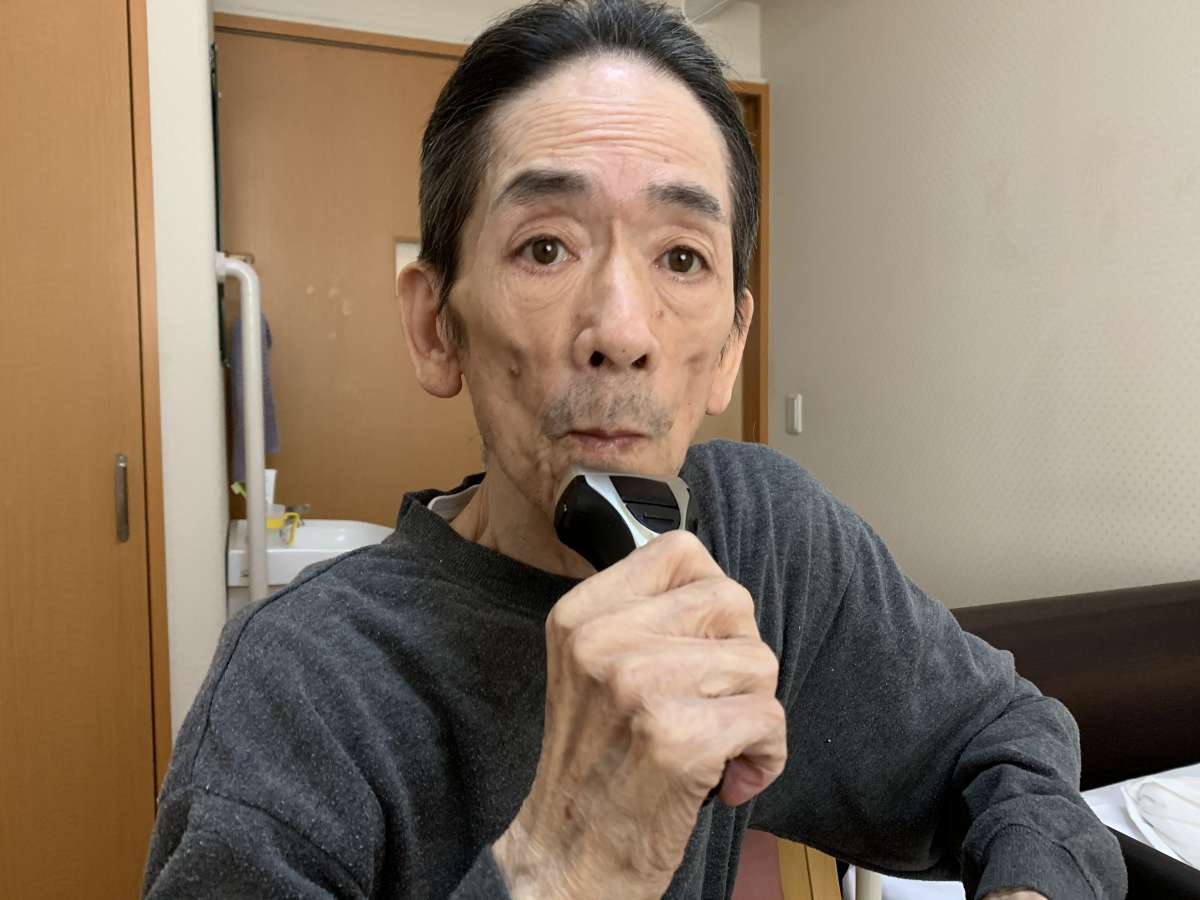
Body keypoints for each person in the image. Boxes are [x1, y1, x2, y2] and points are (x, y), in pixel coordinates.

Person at [143, 1, 1127, 897]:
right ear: (436, 328)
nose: (622, 328)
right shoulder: (300, 687)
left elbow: (1008, 741)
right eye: (544, 247)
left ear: (729, 348)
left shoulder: (766, 539)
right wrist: (573, 863)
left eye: (682, 257)